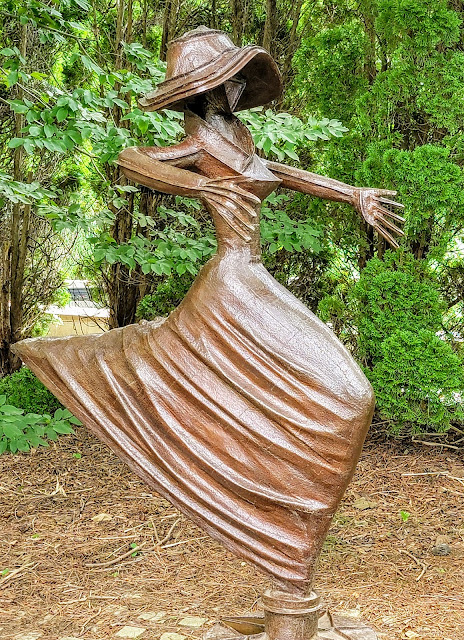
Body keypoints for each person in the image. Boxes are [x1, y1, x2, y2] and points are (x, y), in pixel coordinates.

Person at [13, 26, 403, 596]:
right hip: (231, 282)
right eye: (229, 78)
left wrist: (351, 194)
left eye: (239, 76)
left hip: (250, 277)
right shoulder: (197, 144)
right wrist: (197, 189)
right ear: (206, 89)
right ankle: (283, 549)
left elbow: (278, 173)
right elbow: (129, 159)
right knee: (345, 396)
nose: (239, 87)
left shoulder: (237, 135)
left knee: (348, 396)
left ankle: (289, 555)